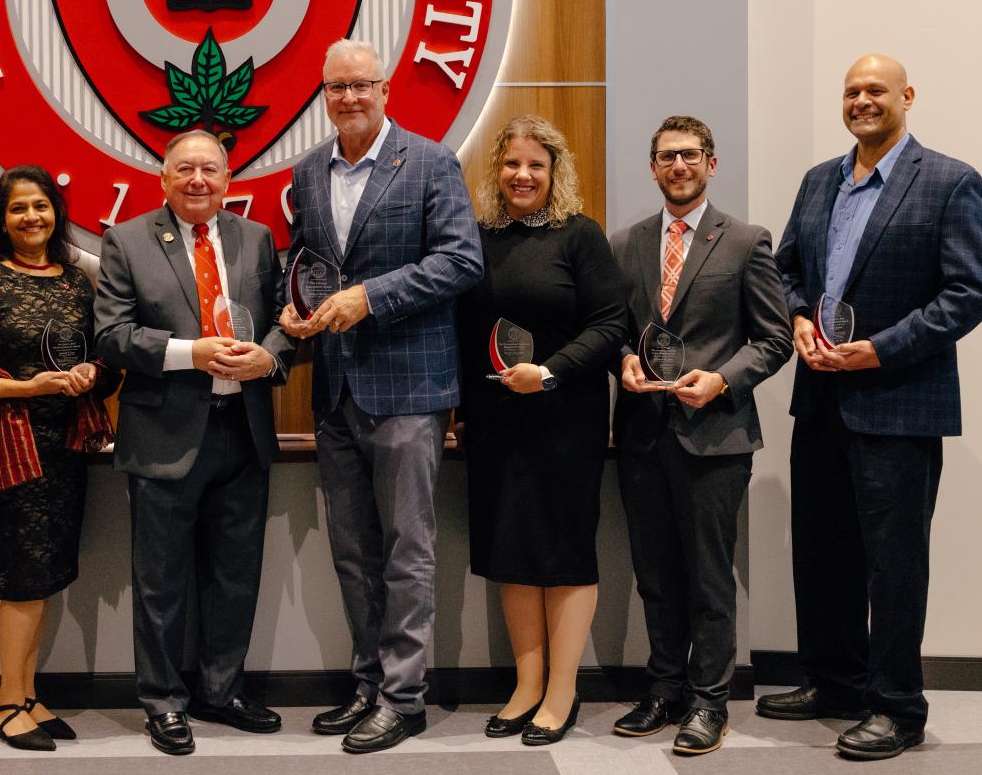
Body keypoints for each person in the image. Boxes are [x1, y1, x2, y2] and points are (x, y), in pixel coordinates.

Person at [760, 55, 982, 760]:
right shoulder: (818, 180)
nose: (862, 100)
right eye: (852, 90)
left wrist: (882, 349)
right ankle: (834, 680)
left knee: (893, 564)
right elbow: (787, 267)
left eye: (875, 90)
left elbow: (970, 292)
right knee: (824, 550)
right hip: (823, 398)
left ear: (906, 97)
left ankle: (897, 706)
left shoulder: (950, 182)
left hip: (899, 400)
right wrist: (798, 316)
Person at [280, 39, 484, 754]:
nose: (349, 98)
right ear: (324, 96)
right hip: (334, 388)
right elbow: (303, 259)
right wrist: (292, 305)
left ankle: (403, 696)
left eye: (361, 84)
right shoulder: (308, 172)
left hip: (409, 387)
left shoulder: (430, 161)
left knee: (407, 550)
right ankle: (367, 683)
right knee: (354, 551)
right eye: (336, 88)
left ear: (386, 88)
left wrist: (372, 297)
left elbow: (461, 260)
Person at [94, 130, 296, 756]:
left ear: (229, 179)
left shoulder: (256, 238)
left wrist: (271, 357)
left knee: (235, 576)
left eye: (210, 169)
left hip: (243, 433)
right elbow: (111, 337)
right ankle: (163, 701)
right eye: (185, 170)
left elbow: (288, 322)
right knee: (161, 581)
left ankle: (222, 690)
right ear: (163, 179)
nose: (198, 180)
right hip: (165, 436)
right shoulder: (125, 240)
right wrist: (190, 354)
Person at [608, 116, 792, 755]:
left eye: (690, 155)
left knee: (710, 577)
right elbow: (615, 334)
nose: (678, 166)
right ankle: (664, 690)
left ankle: (709, 703)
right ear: (653, 167)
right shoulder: (624, 244)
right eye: (666, 157)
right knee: (655, 575)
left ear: (711, 163)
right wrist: (623, 363)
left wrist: (721, 380)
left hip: (715, 436)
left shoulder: (745, 241)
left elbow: (774, 340)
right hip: (642, 436)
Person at [457, 116, 626, 747]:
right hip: (496, 421)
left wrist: (550, 372)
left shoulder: (579, 236)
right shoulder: (477, 239)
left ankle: (562, 691)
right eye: (511, 164)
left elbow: (611, 325)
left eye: (536, 165)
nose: (522, 175)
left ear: (555, 173)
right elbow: (462, 332)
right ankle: (527, 686)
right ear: (495, 171)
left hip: (565, 419)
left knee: (562, 551)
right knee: (511, 550)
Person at [0, 165, 118, 751]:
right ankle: (5, 701)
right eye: (18, 209)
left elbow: (106, 360)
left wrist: (93, 371)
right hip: (9, 450)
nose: (31, 217)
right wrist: (29, 388)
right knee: (21, 577)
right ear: (2, 219)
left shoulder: (75, 282)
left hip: (64, 449)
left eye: (40, 206)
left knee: (45, 576)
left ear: (55, 214)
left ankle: (28, 692)